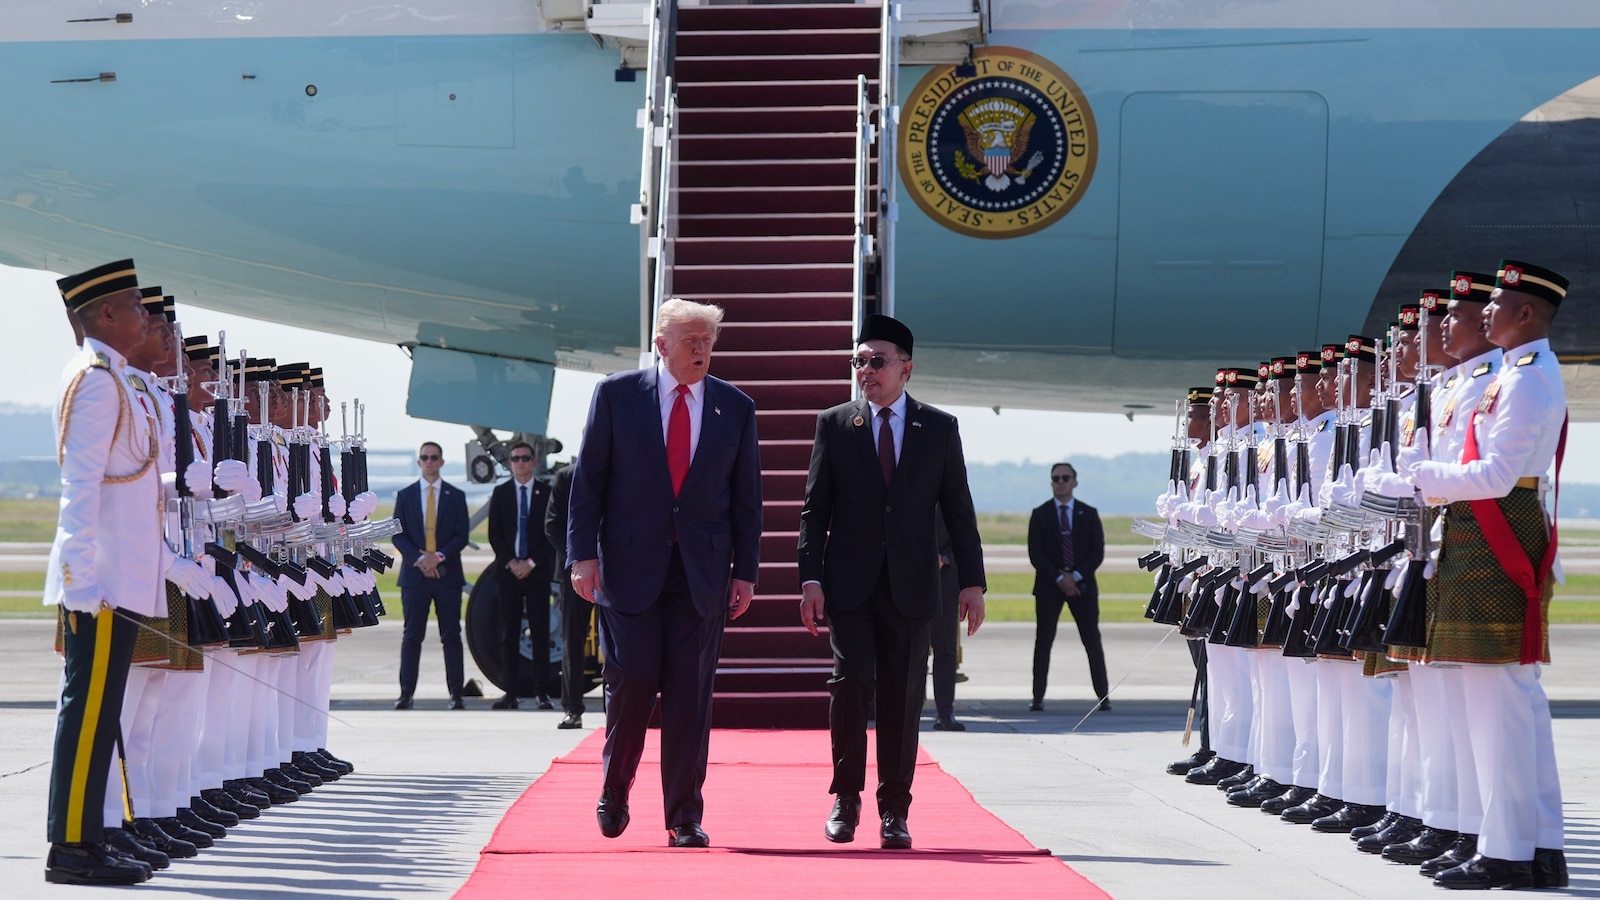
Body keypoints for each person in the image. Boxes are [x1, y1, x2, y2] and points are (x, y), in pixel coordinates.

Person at [566, 298, 762, 848]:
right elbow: (589, 482)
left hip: (701, 574)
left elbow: (747, 499)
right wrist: (582, 556)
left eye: (708, 340)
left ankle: (684, 816)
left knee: (689, 697)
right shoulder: (616, 395)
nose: (701, 348)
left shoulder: (735, 407)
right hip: (629, 568)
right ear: (661, 345)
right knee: (631, 683)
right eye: (691, 339)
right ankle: (616, 789)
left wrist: (745, 571)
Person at [1405, 259, 1571, 890]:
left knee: (1498, 705)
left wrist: (1422, 478)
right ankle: (1536, 847)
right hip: (1481, 531)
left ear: (1526, 313)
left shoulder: (1526, 379)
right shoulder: (1514, 374)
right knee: (1503, 703)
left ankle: (1508, 852)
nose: (1486, 313)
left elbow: (1500, 475)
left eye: (1497, 304)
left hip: (1500, 532)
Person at [798, 313, 986, 851]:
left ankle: (895, 810)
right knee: (850, 685)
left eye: (876, 361)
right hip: (849, 584)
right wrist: (810, 579)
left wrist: (972, 583)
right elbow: (815, 510)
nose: (866, 370)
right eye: (859, 361)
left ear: (906, 368)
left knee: (903, 697)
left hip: (911, 586)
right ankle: (846, 798)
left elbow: (959, 509)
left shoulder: (938, 428)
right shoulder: (835, 424)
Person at [44, 259, 164, 885]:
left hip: (120, 580)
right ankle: (71, 848)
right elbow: (79, 486)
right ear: (108, 314)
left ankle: (88, 839)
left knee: (102, 715)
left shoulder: (115, 377)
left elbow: (132, 481)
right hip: (101, 585)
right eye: (136, 305)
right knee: (89, 715)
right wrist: (80, 580)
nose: (146, 316)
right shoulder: (95, 380)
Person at [392, 442, 471, 709]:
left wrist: (436, 557)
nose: (429, 461)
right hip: (415, 578)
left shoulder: (455, 496)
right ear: (419, 462)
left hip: (447, 576)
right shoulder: (405, 496)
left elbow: (461, 535)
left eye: (434, 457)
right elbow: (398, 534)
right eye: (425, 457)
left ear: (441, 462)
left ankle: (456, 694)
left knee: (451, 635)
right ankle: (406, 694)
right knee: (412, 636)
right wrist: (420, 560)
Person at [1026, 462, 1107, 711]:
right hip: (1049, 586)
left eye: (1065, 477)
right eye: (1056, 478)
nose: (1060, 482)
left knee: (1091, 640)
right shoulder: (1040, 514)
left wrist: (1076, 576)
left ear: (1074, 482)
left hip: (1083, 586)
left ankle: (1103, 696)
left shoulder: (1088, 513)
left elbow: (1097, 552)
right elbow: (1036, 554)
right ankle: (1037, 696)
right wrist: (1060, 578)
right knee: (1044, 641)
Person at [487, 441, 555, 710]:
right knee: (509, 634)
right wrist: (512, 562)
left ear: (534, 462)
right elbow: (495, 534)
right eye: (516, 459)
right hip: (509, 573)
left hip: (537, 573)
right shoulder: (501, 493)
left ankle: (542, 693)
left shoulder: (547, 493)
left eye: (525, 458)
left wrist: (531, 562)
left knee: (540, 633)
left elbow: (551, 533)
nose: (521, 463)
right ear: (509, 463)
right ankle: (511, 693)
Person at [546, 460, 592, 730]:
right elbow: (552, 524)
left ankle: (617, 707)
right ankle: (572, 709)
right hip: (575, 571)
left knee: (619, 641)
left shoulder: (622, 467)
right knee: (572, 640)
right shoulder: (566, 476)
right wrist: (579, 558)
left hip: (616, 570)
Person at [928, 513, 963, 731]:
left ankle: (945, 713)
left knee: (945, 651)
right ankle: (907, 710)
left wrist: (945, 557)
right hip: (905, 581)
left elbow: (965, 534)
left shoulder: (950, 497)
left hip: (944, 583)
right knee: (910, 653)